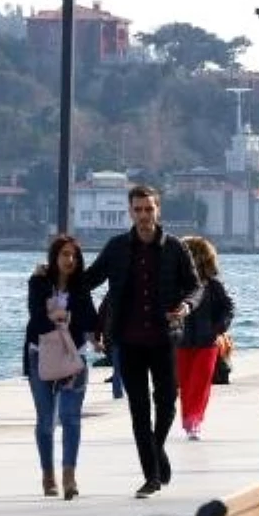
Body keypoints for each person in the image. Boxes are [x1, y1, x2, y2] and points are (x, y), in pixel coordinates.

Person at [85, 185, 203, 499]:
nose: (143, 215)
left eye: (148, 209)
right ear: (130, 212)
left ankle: (156, 447)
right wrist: (54, 276)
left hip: (165, 339)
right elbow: (88, 280)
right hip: (129, 341)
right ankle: (150, 476)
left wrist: (187, 306)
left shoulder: (175, 247)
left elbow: (195, 287)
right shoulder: (117, 247)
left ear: (157, 210)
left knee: (166, 403)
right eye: (138, 210)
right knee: (139, 409)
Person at [26, 235, 99, 500]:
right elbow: (35, 318)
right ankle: (48, 474)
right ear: (54, 257)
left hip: (74, 357)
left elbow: (90, 320)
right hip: (40, 355)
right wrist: (62, 320)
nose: (70, 260)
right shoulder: (39, 282)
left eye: (74, 256)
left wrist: (92, 334)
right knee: (46, 421)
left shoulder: (81, 287)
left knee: (71, 417)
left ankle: (69, 475)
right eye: (65, 254)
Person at [177, 237, 235, 440]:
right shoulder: (176, 284)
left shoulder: (213, 285)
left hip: (207, 342)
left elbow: (228, 308)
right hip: (181, 342)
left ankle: (194, 421)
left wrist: (218, 329)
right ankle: (189, 419)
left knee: (200, 383)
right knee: (185, 384)